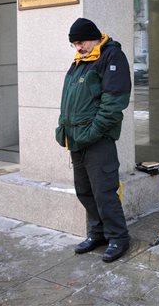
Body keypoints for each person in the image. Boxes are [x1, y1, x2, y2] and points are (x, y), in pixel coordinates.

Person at [55, 17, 131, 263]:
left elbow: (113, 105)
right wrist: (64, 128)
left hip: (98, 140)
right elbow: (69, 98)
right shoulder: (80, 61)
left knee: (104, 191)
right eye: (74, 44)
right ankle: (97, 234)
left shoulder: (111, 57)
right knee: (85, 191)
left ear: (95, 37)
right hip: (77, 139)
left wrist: (91, 132)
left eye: (81, 42)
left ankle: (118, 237)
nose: (78, 47)